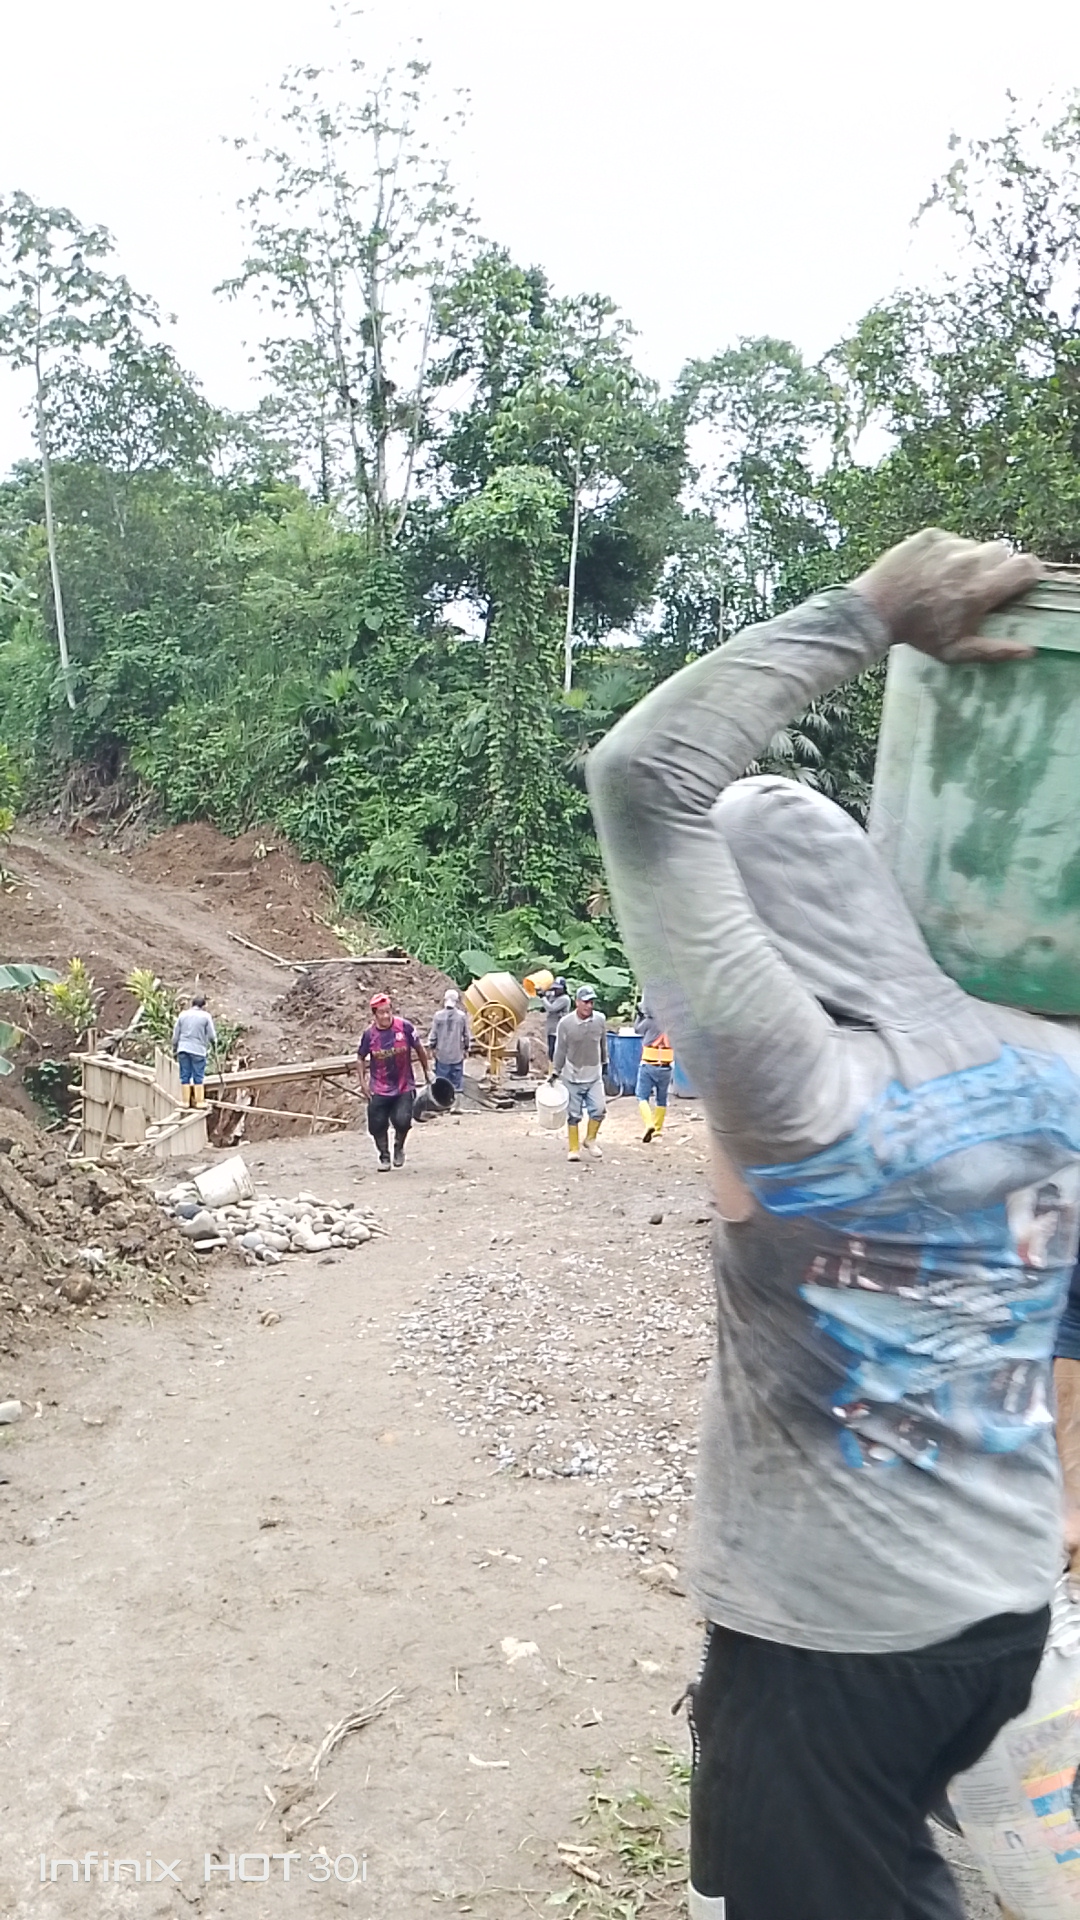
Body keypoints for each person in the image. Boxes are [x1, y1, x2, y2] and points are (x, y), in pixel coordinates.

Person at [587, 528, 1080, 1920]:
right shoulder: (1057, 1062)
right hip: (1001, 1601)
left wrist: (869, 611)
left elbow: (644, 777)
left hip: (840, 1637)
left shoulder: (798, 1094)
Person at [356, 993, 431, 1171]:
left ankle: (399, 1146)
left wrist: (427, 1070)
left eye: (388, 1011)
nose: (386, 1016)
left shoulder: (404, 1027)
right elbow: (360, 1057)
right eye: (381, 1013)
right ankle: (384, 1156)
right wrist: (363, 1082)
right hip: (379, 1086)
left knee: (403, 1120)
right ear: (374, 1015)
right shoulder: (369, 1035)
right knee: (377, 1125)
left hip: (403, 1084)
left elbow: (419, 1048)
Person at [552, 984, 608, 1163]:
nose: (589, 1006)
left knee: (599, 1109)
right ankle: (574, 1148)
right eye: (585, 1002)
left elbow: (603, 1043)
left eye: (591, 1002)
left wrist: (605, 1062)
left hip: (594, 1073)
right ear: (577, 1002)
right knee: (573, 1114)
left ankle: (590, 1139)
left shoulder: (599, 1020)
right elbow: (560, 1049)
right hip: (572, 1074)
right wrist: (555, 1071)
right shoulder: (566, 1024)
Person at [634, 996, 673, 1142]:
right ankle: (657, 1130)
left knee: (641, 1096)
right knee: (661, 1099)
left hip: (648, 1065)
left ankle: (649, 1123)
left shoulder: (650, 1022)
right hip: (666, 1067)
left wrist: (639, 1016)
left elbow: (637, 1030)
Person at [171, 993, 216, 1108]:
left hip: (183, 1049)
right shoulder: (206, 1016)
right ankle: (199, 1102)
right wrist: (214, 1045)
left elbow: (175, 1036)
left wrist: (174, 1048)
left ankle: (185, 1102)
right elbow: (211, 1036)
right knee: (198, 1075)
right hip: (198, 1050)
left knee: (185, 1075)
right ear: (203, 1006)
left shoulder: (182, 1015)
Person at [427, 988, 472, 1094]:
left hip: (442, 1055)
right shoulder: (461, 1016)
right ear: (456, 1001)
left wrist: (431, 1047)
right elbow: (466, 1035)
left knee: (442, 1084)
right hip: (457, 1055)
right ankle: (456, 1099)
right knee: (457, 1086)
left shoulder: (438, 1016)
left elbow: (433, 1035)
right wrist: (466, 1048)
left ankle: (443, 1098)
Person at [541, 977, 572, 1062]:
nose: (556, 991)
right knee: (551, 1052)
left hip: (559, 1031)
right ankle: (553, 1067)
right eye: (555, 988)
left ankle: (557, 1068)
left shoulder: (564, 999)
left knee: (557, 1053)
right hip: (552, 1030)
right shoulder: (553, 996)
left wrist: (543, 997)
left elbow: (551, 1008)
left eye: (558, 989)